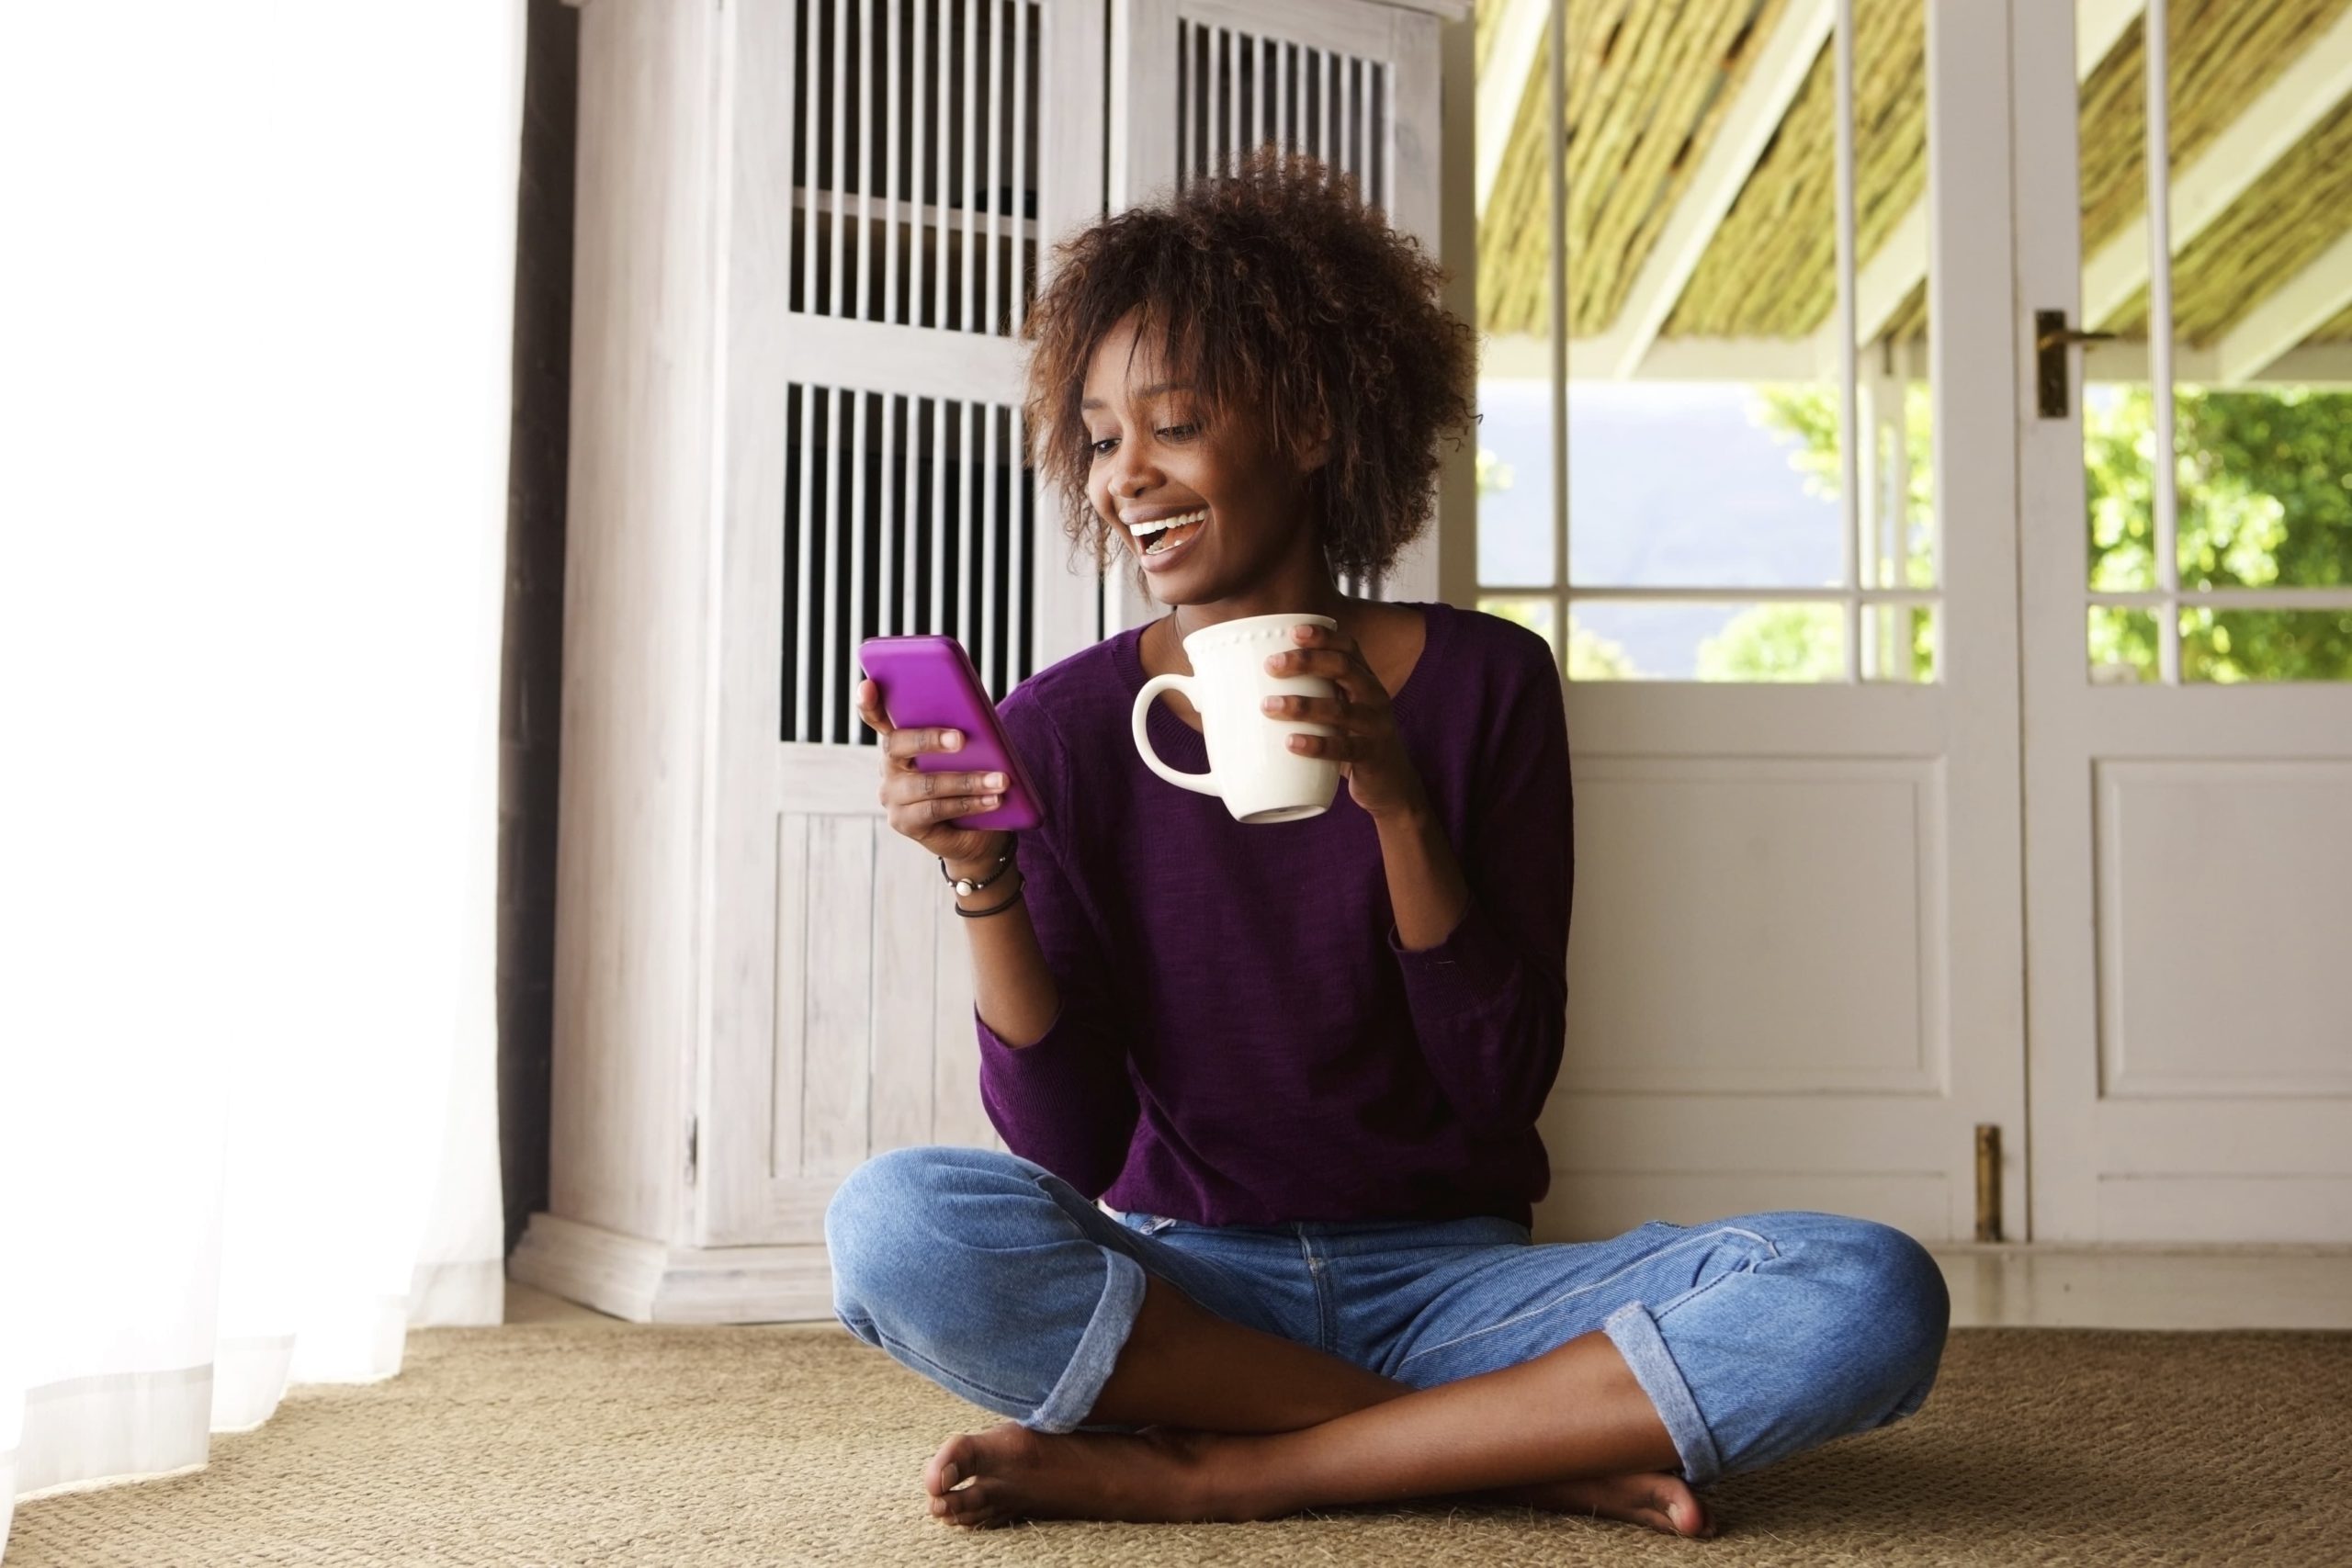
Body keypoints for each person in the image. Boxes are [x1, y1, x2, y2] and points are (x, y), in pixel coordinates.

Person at [827, 150, 1949, 1539]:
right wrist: (981, 870)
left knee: (1867, 1290)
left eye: (1171, 425)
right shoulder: (1061, 727)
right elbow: (1072, 1143)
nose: (1129, 480)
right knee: (894, 1225)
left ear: (1308, 423)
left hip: (1460, 1293)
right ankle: (1520, 1453)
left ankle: (1237, 1463)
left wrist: (1396, 798)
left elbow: (1498, 1086)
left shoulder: (1488, 686)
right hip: (1193, 1289)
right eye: (1103, 439)